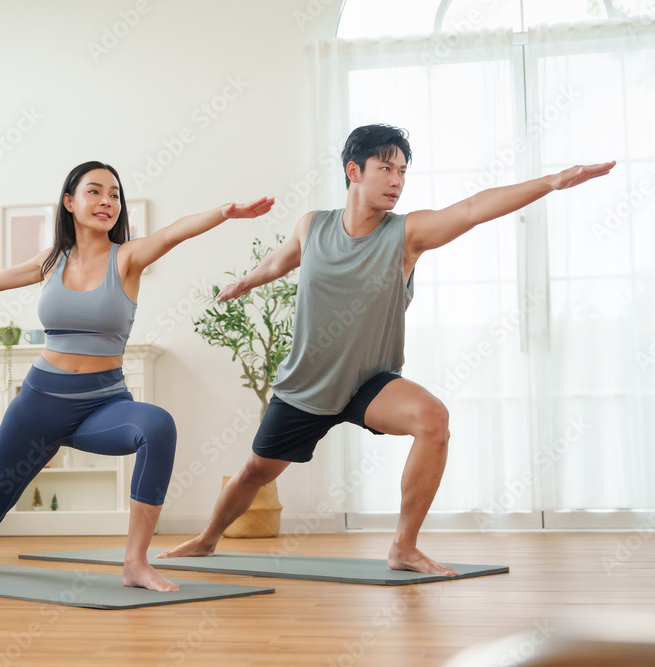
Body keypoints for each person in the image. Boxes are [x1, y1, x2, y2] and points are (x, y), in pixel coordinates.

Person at [159, 124, 615, 575]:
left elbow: (474, 208)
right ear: (354, 170)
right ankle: (206, 539)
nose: (397, 180)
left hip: (369, 382)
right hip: (307, 385)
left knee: (433, 419)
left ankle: (403, 547)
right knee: (255, 472)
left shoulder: (407, 234)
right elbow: (281, 260)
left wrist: (553, 181)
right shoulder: (313, 226)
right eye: (386, 168)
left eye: (402, 171)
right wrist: (246, 281)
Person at [0, 160, 273, 591]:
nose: (106, 201)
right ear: (69, 202)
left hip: (102, 403)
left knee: (157, 426)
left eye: (114, 194)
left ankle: (135, 562)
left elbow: (173, 232)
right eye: (94, 191)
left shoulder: (127, 258)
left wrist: (224, 211)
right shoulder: (52, 260)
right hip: (39, 402)